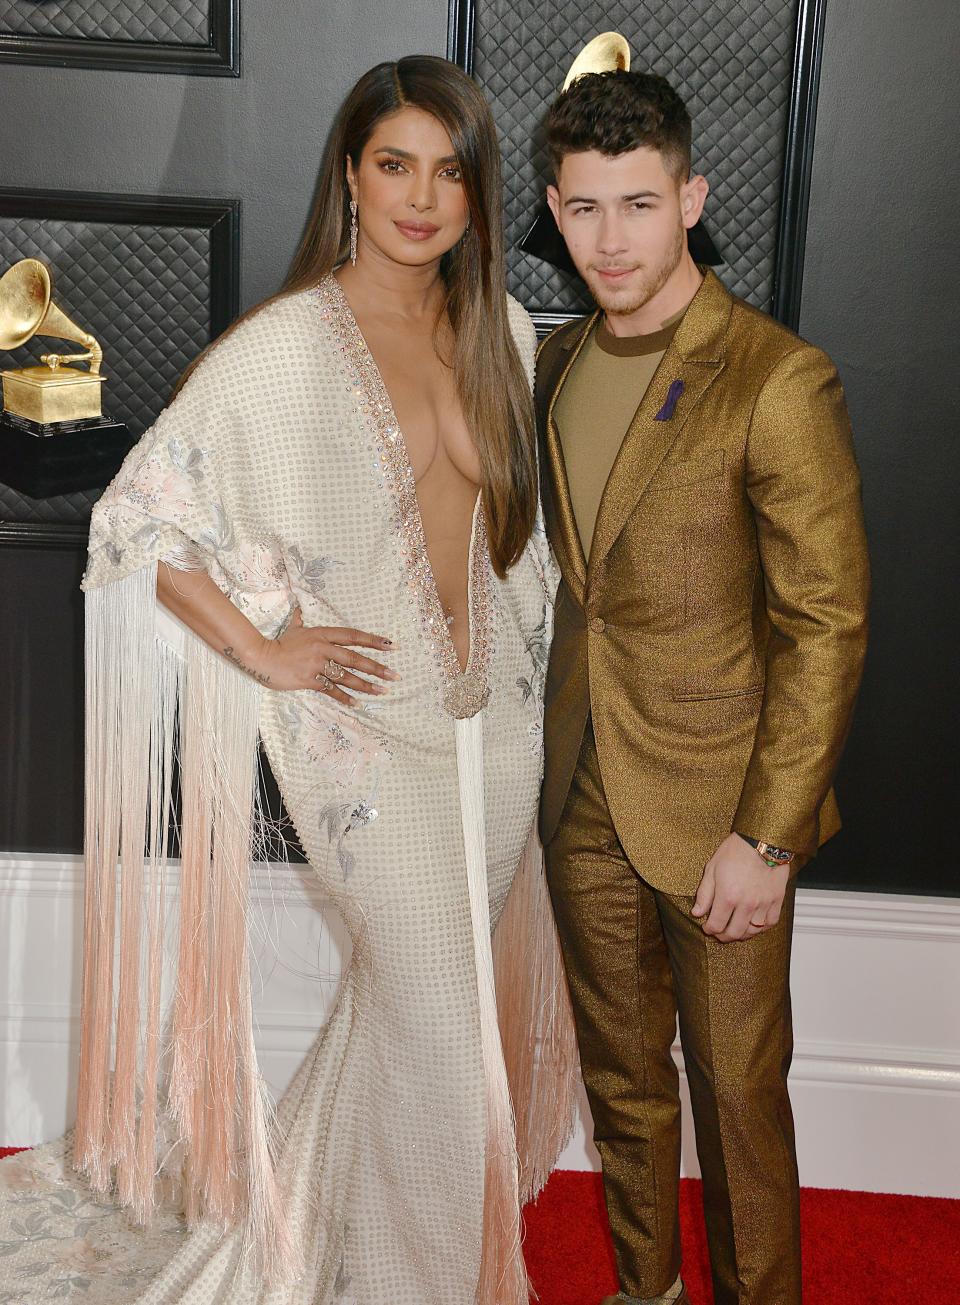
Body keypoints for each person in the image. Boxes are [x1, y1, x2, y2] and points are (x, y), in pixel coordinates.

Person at [0, 56, 577, 1304]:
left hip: (500, 738)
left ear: (479, 195)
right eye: (393, 164)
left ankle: (329, 1248)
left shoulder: (507, 333)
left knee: (422, 1026)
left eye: (452, 171)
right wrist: (263, 651)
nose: (422, 198)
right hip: (365, 749)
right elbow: (136, 523)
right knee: (434, 1036)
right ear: (351, 178)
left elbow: (524, 554)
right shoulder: (281, 349)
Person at [535, 61, 870, 1305]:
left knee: (737, 1099)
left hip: (724, 814)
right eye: (582, 208)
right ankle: (644, 1291)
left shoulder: (777, 378)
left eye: (635, 203)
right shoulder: (554, 362)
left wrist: (770, 838)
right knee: (619, 1082)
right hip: (579, 796)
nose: (607, 238)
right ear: (555, 214)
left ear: (692, 198)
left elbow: (826, 623)